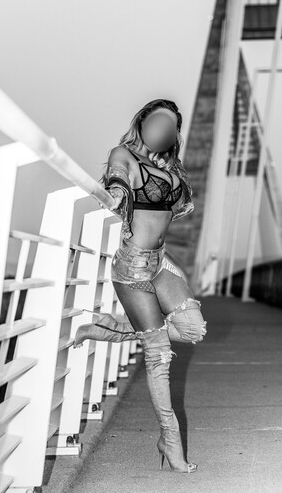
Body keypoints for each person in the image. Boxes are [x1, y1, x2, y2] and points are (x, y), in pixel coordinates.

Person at [72, 99, 207, 474]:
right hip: (132, 266)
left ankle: (105, 328)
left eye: (172, 126)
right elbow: (118, 181)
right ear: (142, 122)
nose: (164, 130)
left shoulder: (168, 166)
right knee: (159, 356)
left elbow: (177, 205)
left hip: (160, 261)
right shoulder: (124, 154)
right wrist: (117, 193)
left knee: (193, 328)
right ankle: (170, 439)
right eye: (158, 121)